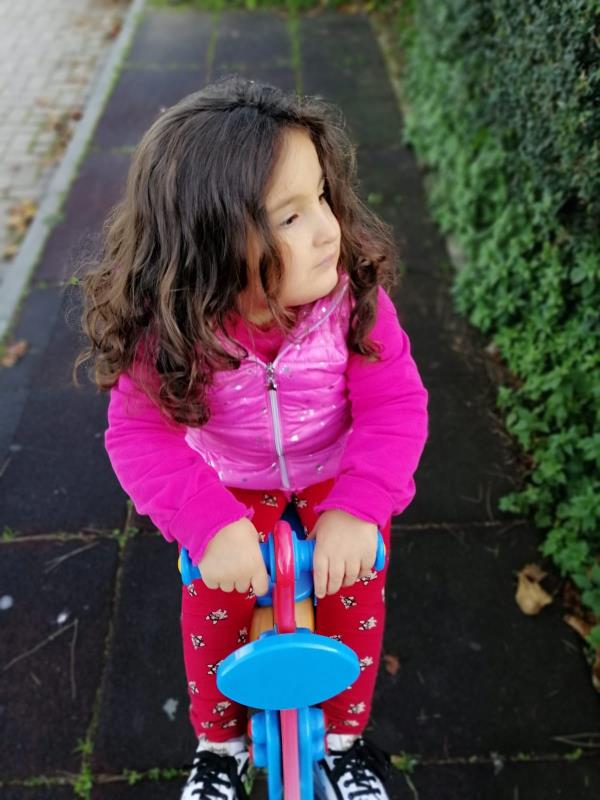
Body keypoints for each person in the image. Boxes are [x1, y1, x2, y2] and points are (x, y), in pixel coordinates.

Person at [74, 75, 429, 800]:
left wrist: (361, 505)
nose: (328, 230)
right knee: (215, 601)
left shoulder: (352, 303)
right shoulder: (173, 331)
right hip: (230, 481)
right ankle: (219, 743)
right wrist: (208, 523)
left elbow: (394, 404)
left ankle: (343, 739)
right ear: (207, 241)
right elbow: (139, 434)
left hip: (334, 471)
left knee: (355, 588)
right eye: (290, 217)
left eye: (322, 197)